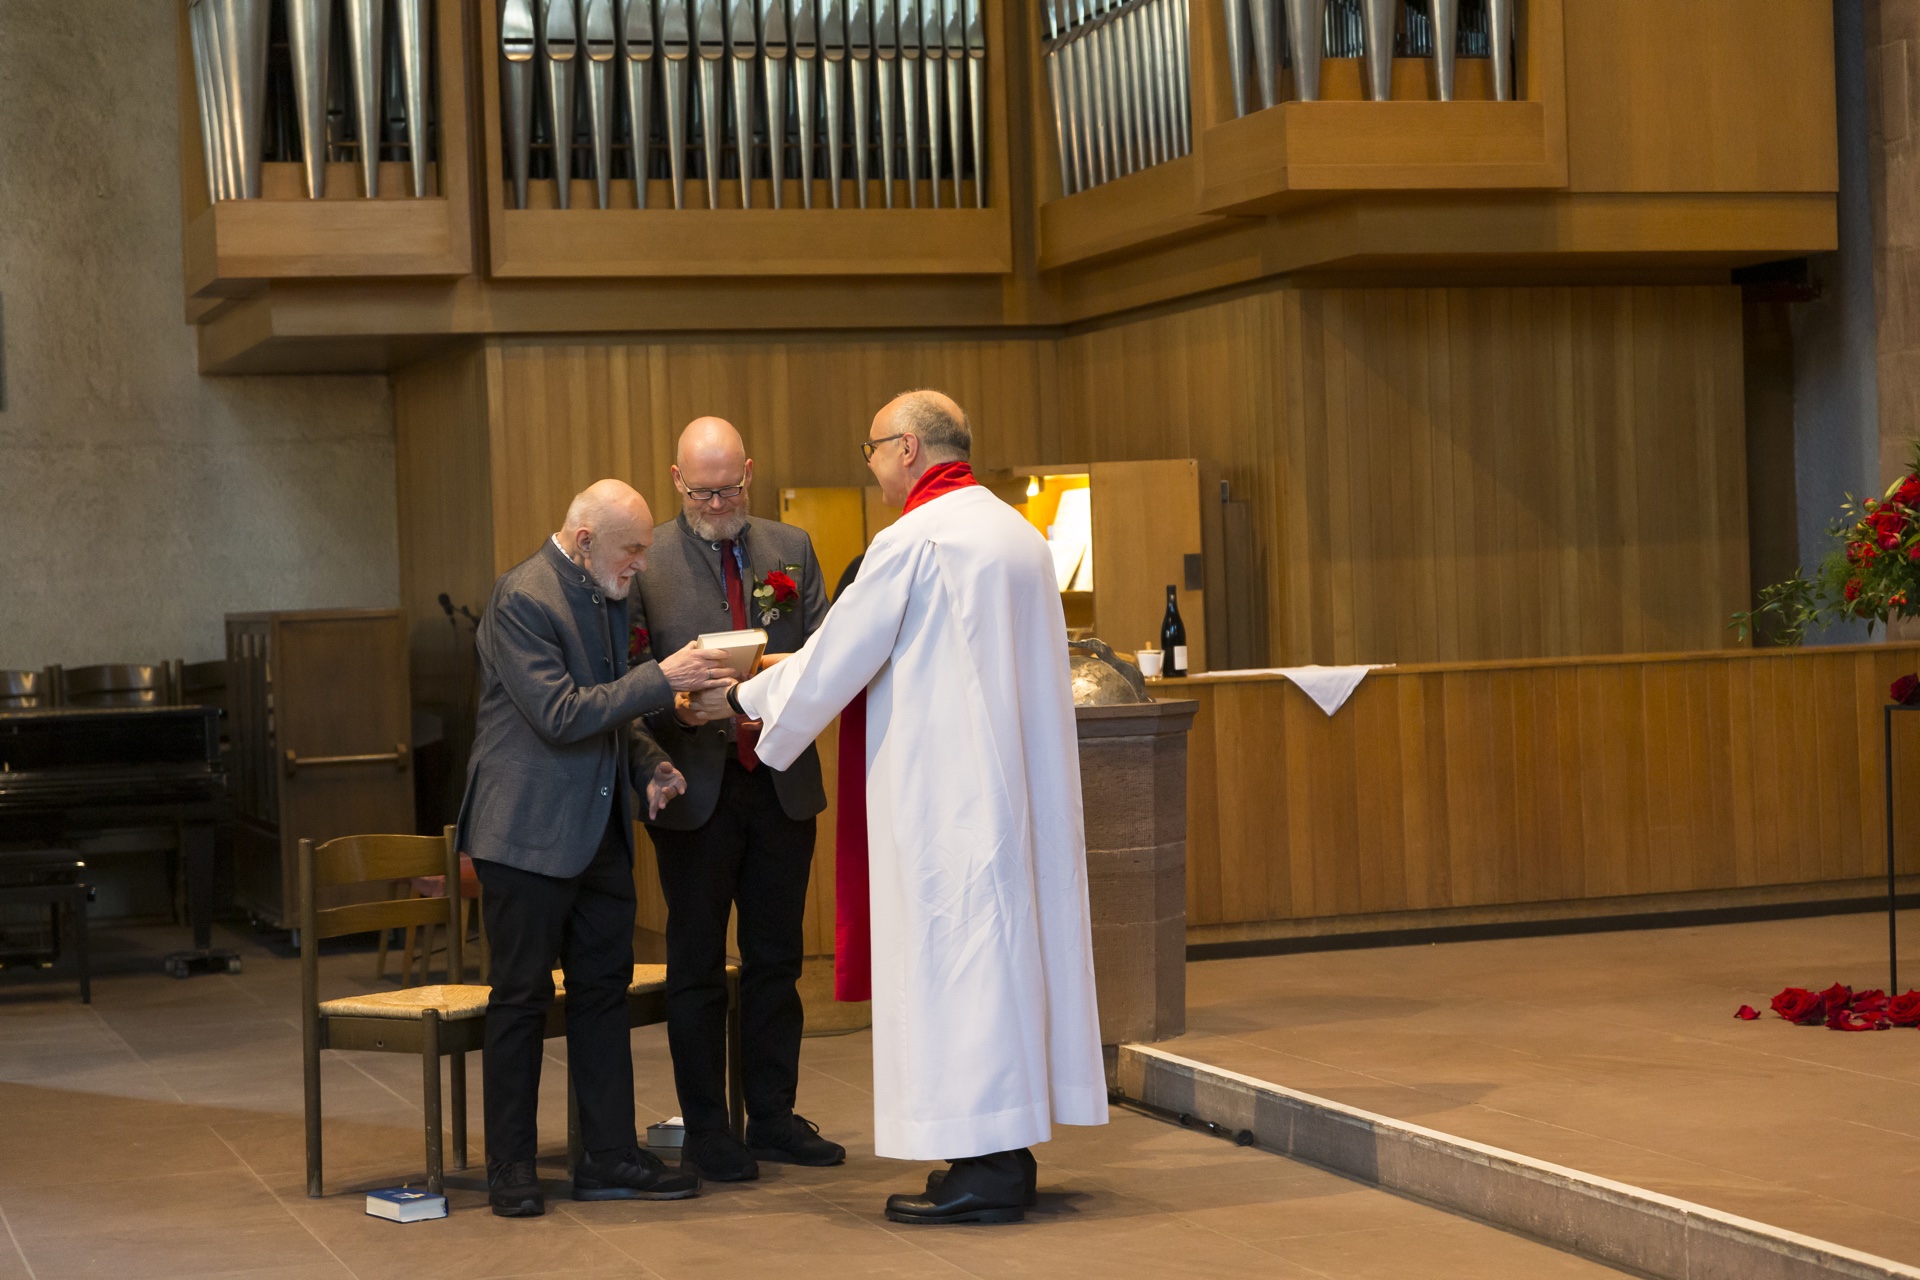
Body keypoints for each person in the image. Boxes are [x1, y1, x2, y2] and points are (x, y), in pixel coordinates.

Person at [690, 391, 1107, 1224]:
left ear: (909, 448)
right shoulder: (1017, 535)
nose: (872, 464)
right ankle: (997, 1151)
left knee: (961, 968)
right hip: (1014, 794)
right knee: (1004, 966)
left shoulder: (917, 540)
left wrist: (745, 700)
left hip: (948, 799)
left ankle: (988, 1168)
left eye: (874, 449)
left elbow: (840, 652)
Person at [458, 478, 733, 1218]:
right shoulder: (523, 599)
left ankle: (607, 1155)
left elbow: (613, 714)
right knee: (519, 1001)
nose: (641, 565)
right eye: (632, 550)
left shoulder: (605, 594)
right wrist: (661, 678)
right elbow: (559, 713)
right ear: (584, 541)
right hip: (525, 835)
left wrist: (652, 766)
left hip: (600, 834)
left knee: (601, 997)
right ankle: (510, 1166)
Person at [633, 417, 846, 1181]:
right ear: (675, 478)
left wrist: (771, 693)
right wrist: (677, 712)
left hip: (778, 782)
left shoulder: (790, 550)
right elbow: (629, 679)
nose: (716, 502)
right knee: (694, 966)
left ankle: (775, 1118)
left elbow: (826, 654)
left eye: (729, 488)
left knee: (776, 961)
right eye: (701, 490)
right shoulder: (647, 559)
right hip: (696, 787)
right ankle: (708, 1130)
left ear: (749, 473)